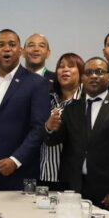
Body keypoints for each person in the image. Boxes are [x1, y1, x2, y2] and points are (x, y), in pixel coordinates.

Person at [43, 57, 109, 211]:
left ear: (108, 76)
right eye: (88, 72)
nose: (93, 76)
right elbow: (53, 141)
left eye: (99, 72)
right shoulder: (71, 107)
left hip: (107, 192)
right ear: (82, 78)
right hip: (72, 189)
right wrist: (49, 127)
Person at [0, 29, 50, 191]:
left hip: (21, 175)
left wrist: (16, 159)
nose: (7, 49)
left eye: (12, 45)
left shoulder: (36, 83)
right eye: (1, 45)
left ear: (20, 51)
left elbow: (39, 128)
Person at [39, 52, 84, 190]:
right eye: (61, 66)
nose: (65, 70)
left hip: (71, 177)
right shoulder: (47, 98)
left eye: (71, 66)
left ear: (81, 73)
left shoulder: (86, 101)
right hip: (42, 173)